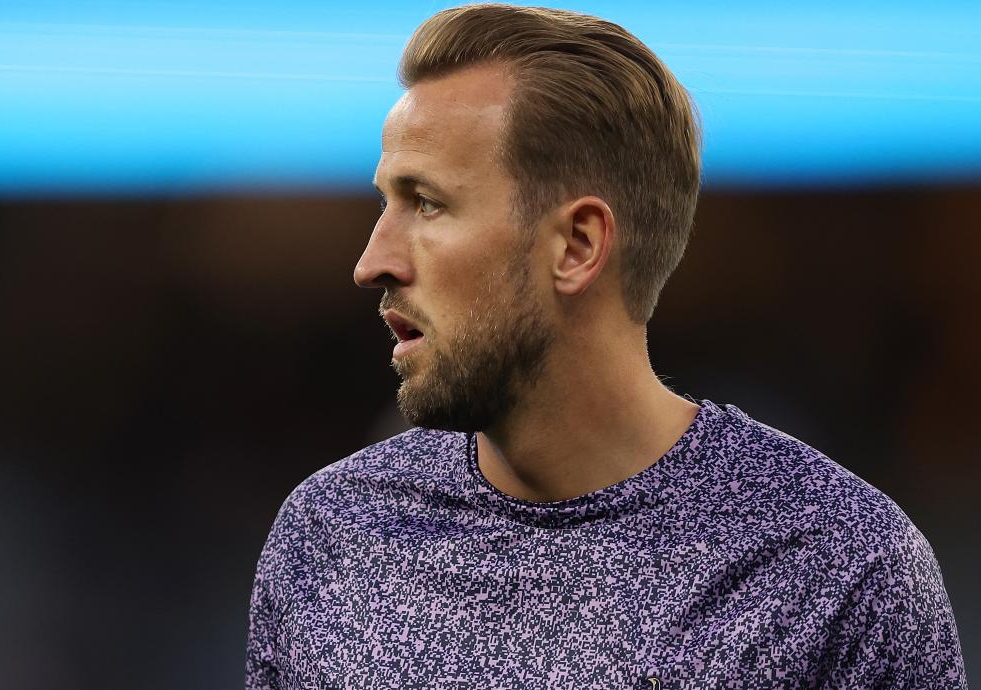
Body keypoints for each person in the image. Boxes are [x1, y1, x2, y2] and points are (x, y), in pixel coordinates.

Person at [246, 4, 967, 688]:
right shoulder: (330, 537)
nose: (373, 261)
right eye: (385, 202)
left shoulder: (837, 565)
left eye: (426, 202)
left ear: (577, 245)